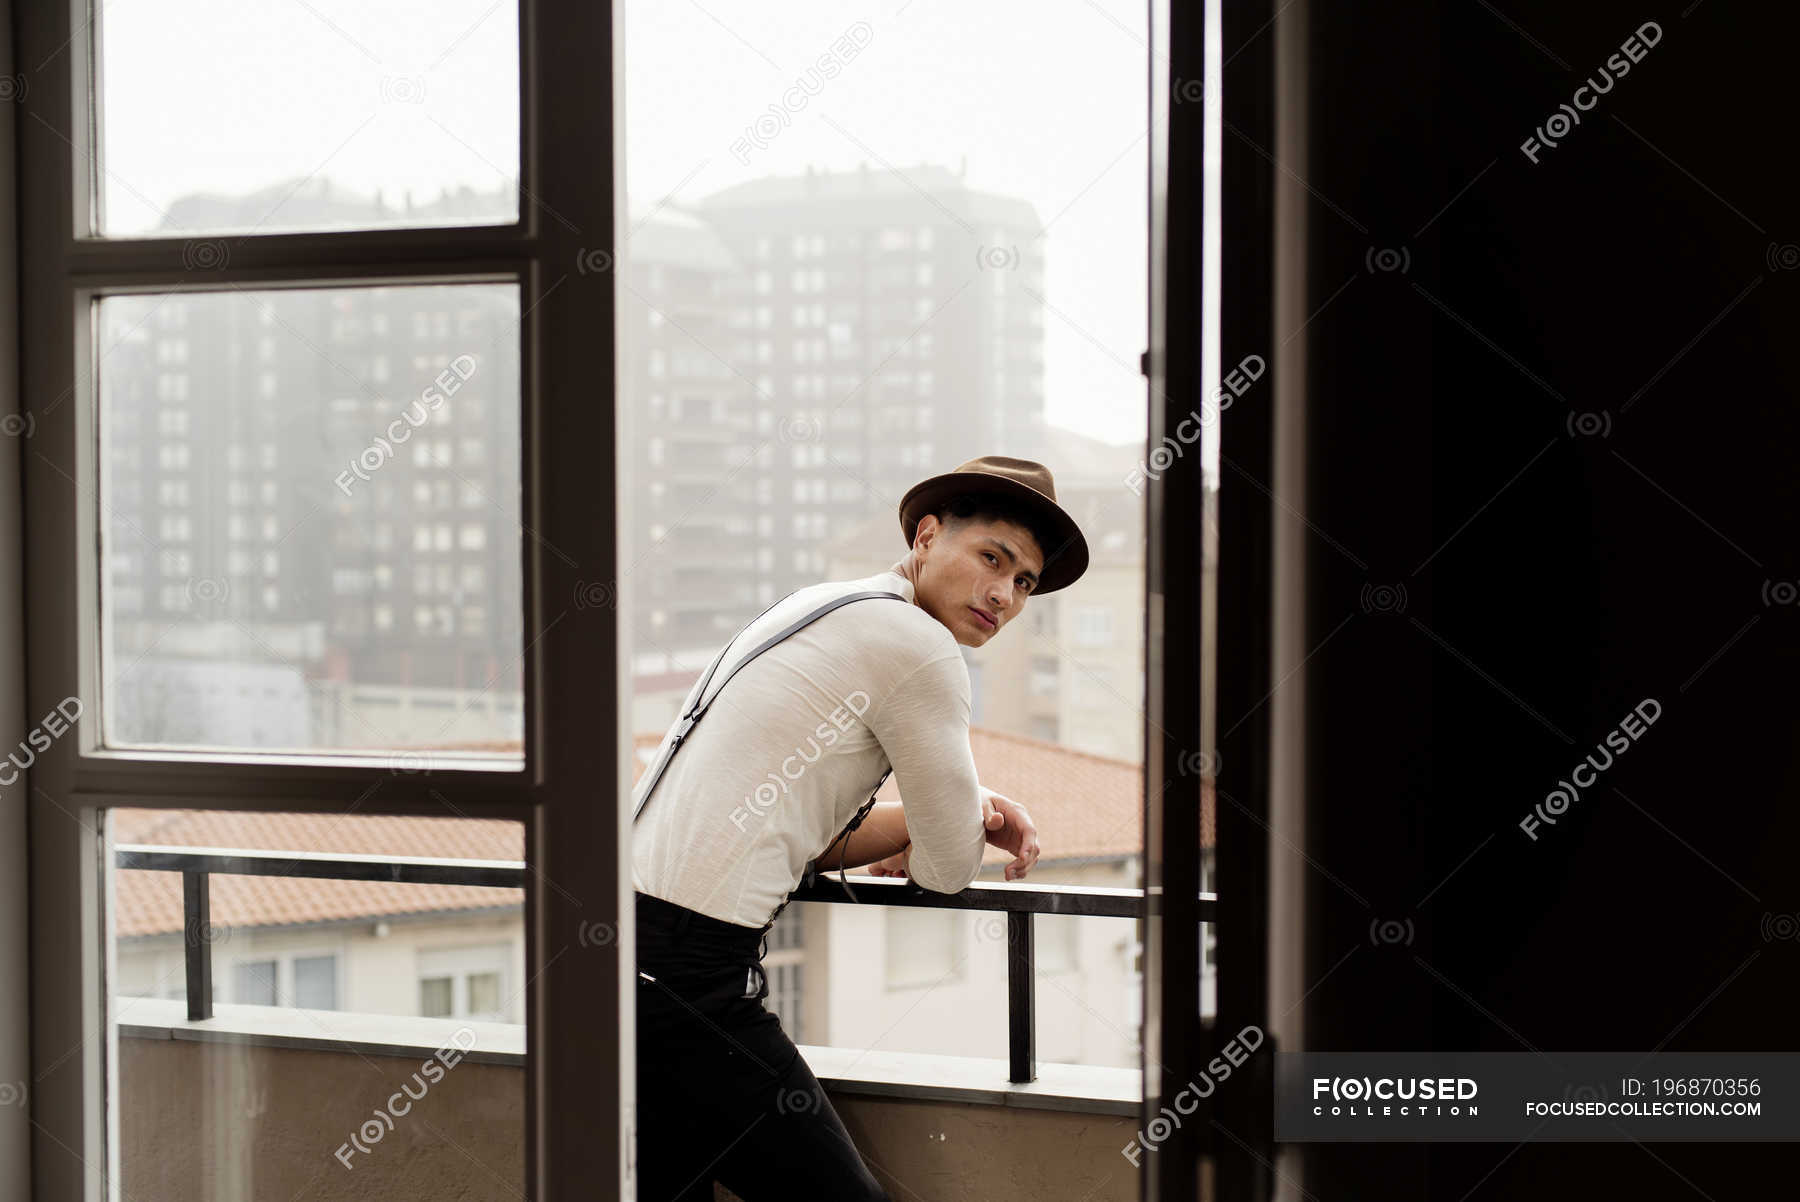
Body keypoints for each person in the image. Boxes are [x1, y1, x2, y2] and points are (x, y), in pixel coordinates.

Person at [630, 455, 1090, 1201]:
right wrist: (968, 813)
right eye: (992, 559)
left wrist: (965, 808)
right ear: (928, 536)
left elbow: (804, 835)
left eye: (1025, 583)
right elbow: (943, 872)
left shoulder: (824, 605)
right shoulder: (918, 645)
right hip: (684, 975)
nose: (1003, 594)